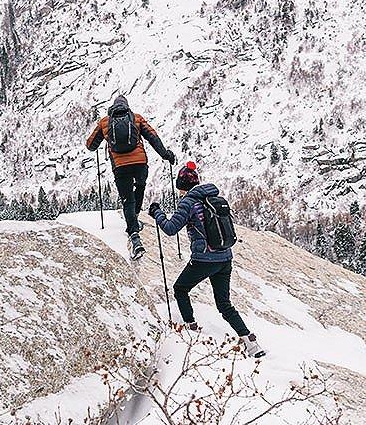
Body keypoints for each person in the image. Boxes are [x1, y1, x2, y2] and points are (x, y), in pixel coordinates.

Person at [149, 161, 266, 358]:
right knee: (224, 304)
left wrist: (157, 213)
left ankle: (190, 327)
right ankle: (250, 342)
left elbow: (170, 229)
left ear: (181, 186)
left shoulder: (188, 202)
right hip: (225, 258)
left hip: (204, 259)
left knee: (180, 289)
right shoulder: (214, 197)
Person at [86, 95, 175, 259]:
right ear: (127, 107)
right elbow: (153, 138)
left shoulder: (105, 122)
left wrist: (103, 138)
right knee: (139, 188)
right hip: (140, 163)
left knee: (127, 199)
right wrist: (166, 155)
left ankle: (134, 235)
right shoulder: (137, 118)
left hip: (120, 167)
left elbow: (90, 145)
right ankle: (135, 219)